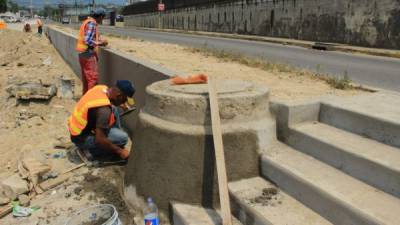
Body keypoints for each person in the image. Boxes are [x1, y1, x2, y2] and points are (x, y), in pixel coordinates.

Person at [68, 80, 135, 160]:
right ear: (119, 95)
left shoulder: (101, 88)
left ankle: (113, 138)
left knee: (114, 108)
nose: (125, 102)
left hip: (77, 128)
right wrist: (119, 151)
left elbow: (103, 104)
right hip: (81, 138)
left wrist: (119, 103)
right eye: (124, 100)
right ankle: (88, 151)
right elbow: (99, 140)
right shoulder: (104, 111)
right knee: (123, 138)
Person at [76, 8, 109, 95]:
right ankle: (91, 101)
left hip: (83, 54)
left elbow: (90, 36)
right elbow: (87, 40)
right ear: (100, 16)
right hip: (87, 54)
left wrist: (98, 39)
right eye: (103, 17)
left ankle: (85, 98)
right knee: (92, 79)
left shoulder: (88, 21)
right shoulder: (92, 23)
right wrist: (100, 43)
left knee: (86, 79)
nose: (103, 20)